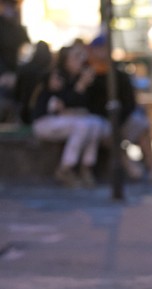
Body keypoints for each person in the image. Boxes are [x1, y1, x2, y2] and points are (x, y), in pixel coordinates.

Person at [86, 35, 152, 184]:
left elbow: (129, 102)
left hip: (122, 118)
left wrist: (119, 118)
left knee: (142, 125)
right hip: (100, 121)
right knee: (103, 130)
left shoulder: (118, 73)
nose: (101, 53)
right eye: (97, 50)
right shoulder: (86, 75)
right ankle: (127, 162)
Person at [30, 42, 110, 186]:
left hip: (68, 121)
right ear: (65, 60)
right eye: (76, 57)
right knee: (82, 125)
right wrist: (81, 86)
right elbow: (61, 104)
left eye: (82, 56)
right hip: (45, 121)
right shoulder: (57, 76)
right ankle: (65, 168)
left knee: (95, 123)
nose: (81, 60)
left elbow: (87, 106)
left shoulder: (79, 77)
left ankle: (86, 167)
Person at [0, 0, 28, 123]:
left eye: (12, 5)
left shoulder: (19, 28)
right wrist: (4, 73)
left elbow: (26, 50)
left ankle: (21, 116)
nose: (10, 8)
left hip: (17, 70)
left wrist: (17, 72)